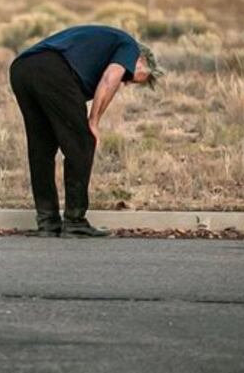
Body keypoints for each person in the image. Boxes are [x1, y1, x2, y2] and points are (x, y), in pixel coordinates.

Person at [9, 25, 162, 238]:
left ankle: (48, 222)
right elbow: (110, 79)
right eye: (130, 78)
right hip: (52, 69)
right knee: (83, 143)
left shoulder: (103, 46)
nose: (126, 83)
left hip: (22, 68)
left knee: (41, 149)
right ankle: (74, 222)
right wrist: (94, 122)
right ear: (141, 61)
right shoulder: (129, 46)